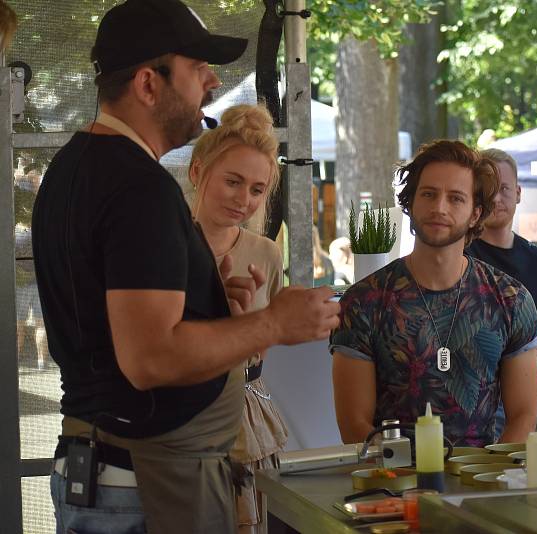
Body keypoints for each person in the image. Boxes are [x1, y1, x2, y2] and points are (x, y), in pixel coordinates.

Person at [31, 2, 339, 533]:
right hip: (143, 487)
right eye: (197, 69)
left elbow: (116, 324)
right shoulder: (138, 187)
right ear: (149, 85)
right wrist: (272, 324)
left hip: (111, 471)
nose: (213, 82)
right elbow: (149, 359)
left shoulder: (74, 165)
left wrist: (210, 305)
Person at [330, 140, 537, 447]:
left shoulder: (510, 299)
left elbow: (524, 417)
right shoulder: (364, 302)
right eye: (428, 194)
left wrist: (488, 479)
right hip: (392, 485)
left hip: (483, 483)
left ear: (475, 213)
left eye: (456, 198)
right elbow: (354, 426)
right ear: (411, 202)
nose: (439, 208)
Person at [187, 104, 286, 534]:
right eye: (233, 181)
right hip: (185, 416)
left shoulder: (266, 253)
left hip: (250, 416)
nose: (242, 199)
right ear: (197, 173)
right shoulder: (166, 245)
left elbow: (267, 341)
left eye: (256, 189)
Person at [464, 148, 537, 437]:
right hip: (469, 398)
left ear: (517, 193)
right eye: (488, 189)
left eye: (503, 189)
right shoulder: (458, 255)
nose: (495, 198)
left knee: (525, 479)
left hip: (527, 401)